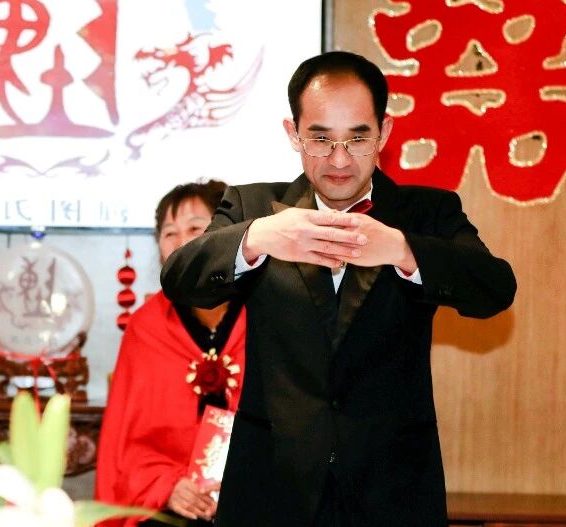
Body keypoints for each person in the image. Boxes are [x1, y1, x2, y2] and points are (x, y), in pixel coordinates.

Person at [160, 50, 517, 526]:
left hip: (392, 489)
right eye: (321, 139)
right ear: (293, 134)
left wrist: (402, 250)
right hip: (271, 488)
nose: (340, 159)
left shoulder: (426, 214)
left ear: (384, 132)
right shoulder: (253, 206)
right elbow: (180, 280)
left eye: (358, 138)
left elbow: (494, 289)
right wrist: (259, 237)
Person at [96, 180, 245, 526]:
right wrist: (169, 486)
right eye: (169, 233)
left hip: (253, 499)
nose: (182, 242)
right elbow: (125, 446)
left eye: (195, 228)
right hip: (167, 506)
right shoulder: (146, 328)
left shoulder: (266, 313)